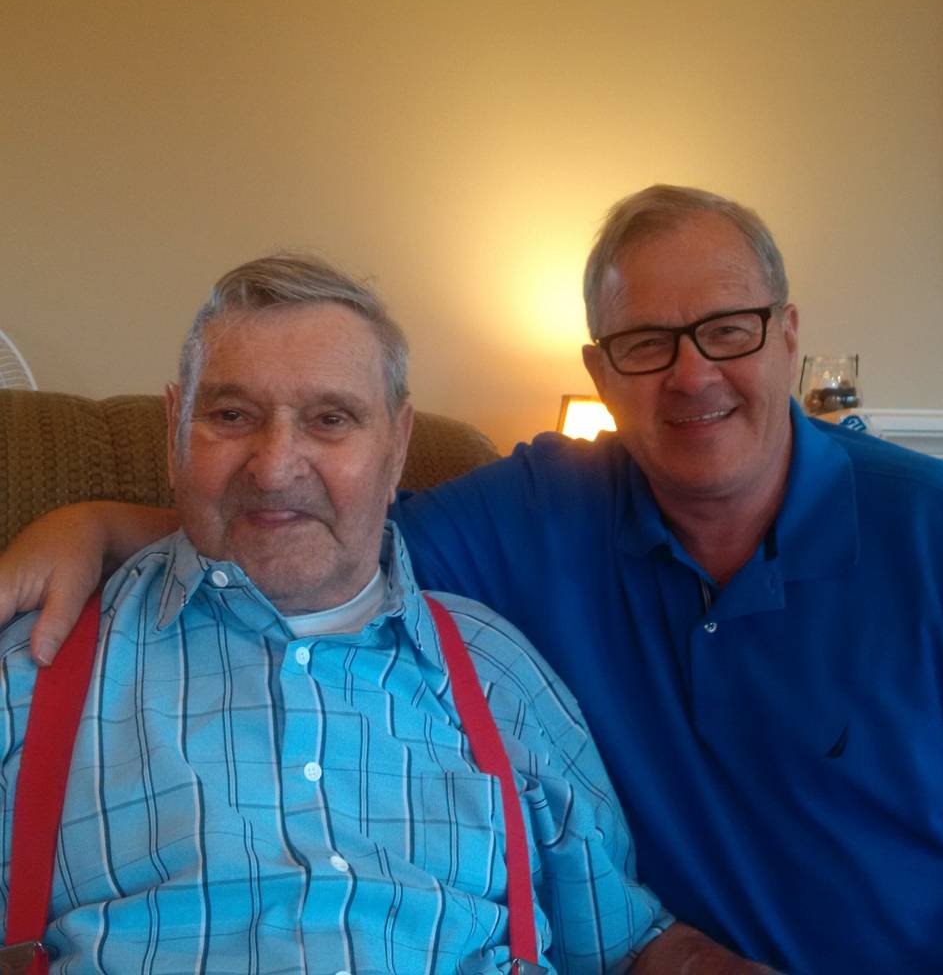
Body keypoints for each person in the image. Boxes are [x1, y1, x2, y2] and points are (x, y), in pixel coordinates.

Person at [2, 186, 943, 973]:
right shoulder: (40, 663)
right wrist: (96, 526)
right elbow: (312, 543)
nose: (693, 373)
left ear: (788, 337)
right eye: (233, 415)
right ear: (600, 371)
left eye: (728, 330)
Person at [0, 254, 756, 973]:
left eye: (330, 420)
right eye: (231, 415)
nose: (276, 467)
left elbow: (629, 944)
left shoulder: (499, 671)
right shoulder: (36, 664)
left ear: (397, 446)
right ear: (176, 428)